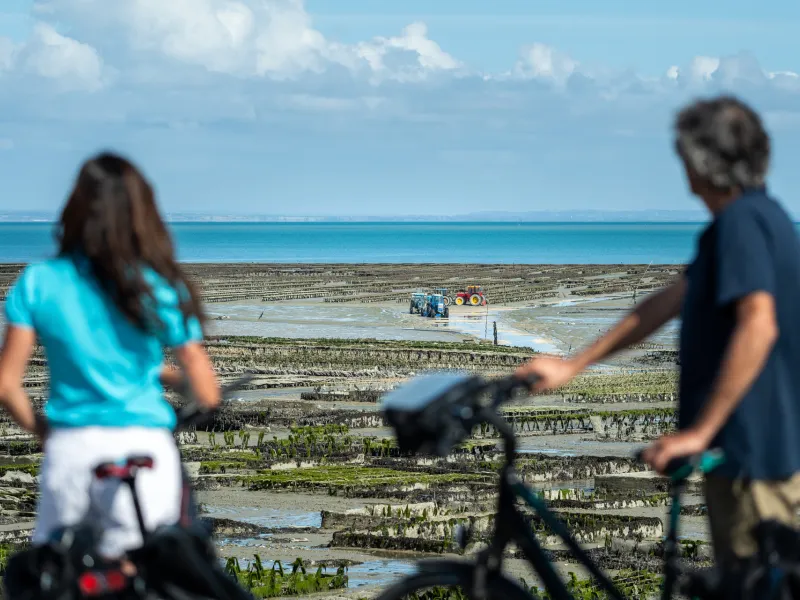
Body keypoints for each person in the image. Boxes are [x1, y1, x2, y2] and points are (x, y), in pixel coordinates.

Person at [516, 95, 800, 565]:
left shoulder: (742, 225)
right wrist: (573, 365)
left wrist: (700, 432)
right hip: (754, 455)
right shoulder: (760, 219)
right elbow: (667, 302)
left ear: (699, 164)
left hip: (752, 460)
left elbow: (758, 325)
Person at [0, 152, 220, 559]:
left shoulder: (40, 282)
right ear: (143, 210)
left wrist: (44, 433)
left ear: (75, 208)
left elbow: (6, 385)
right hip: (145, 450)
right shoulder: (161, 285)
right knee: (144, 574)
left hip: (72, 449)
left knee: (57, 576)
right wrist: (162, 375)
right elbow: (206, 394)